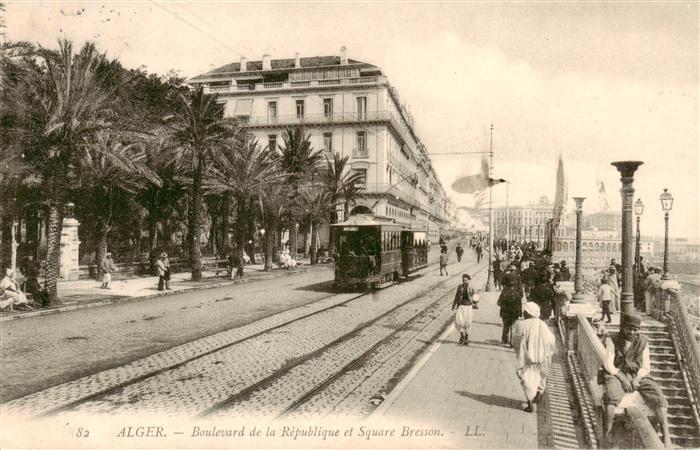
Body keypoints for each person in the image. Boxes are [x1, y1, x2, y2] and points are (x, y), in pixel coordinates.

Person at [602, 311, 672, 447]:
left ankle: (666, 436)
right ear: (623, 328)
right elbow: (608, 364)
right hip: (617, 373)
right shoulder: (612, 339)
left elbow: (646, 366)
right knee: (611, 396)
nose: (632, 332)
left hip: (637, 374)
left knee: (658, 396)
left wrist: (636, 380)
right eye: (629, 329)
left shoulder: (643, 342)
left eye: (636, 329)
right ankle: (607, 433)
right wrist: (622, 379)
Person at [512, 302, 556, 413]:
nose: (523, 313)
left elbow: (515, 341)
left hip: (528, 359)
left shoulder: (521, 324)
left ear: (527, 312)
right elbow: (551, 340)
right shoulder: (542, 324)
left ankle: (530, 403)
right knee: (540, 377)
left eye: (525, 312)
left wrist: (520, 352)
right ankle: (539, 393)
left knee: (527, 380)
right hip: (542, 358)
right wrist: (548, 352)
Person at [498, 266, 524, 346]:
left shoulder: (504, 292)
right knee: (513, 325)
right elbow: (521, 294)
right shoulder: (517, 292)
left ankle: (505, 340)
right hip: (514, 311)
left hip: (506, 311)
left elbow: (499, 303)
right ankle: (512, 342)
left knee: (506, 325)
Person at [452, 274, 479, 345]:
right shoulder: (460, 287)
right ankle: (462, 336)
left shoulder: (472, 287)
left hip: (468, 306)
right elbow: (457, 296)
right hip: (461, 306)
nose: (464, 281)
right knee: (458, 321)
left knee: (468, 323)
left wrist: (475, 303)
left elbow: (476, 296)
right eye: (463, 280)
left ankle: (466, 338)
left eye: (465, 280)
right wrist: (454, 305)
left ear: (468, 280)